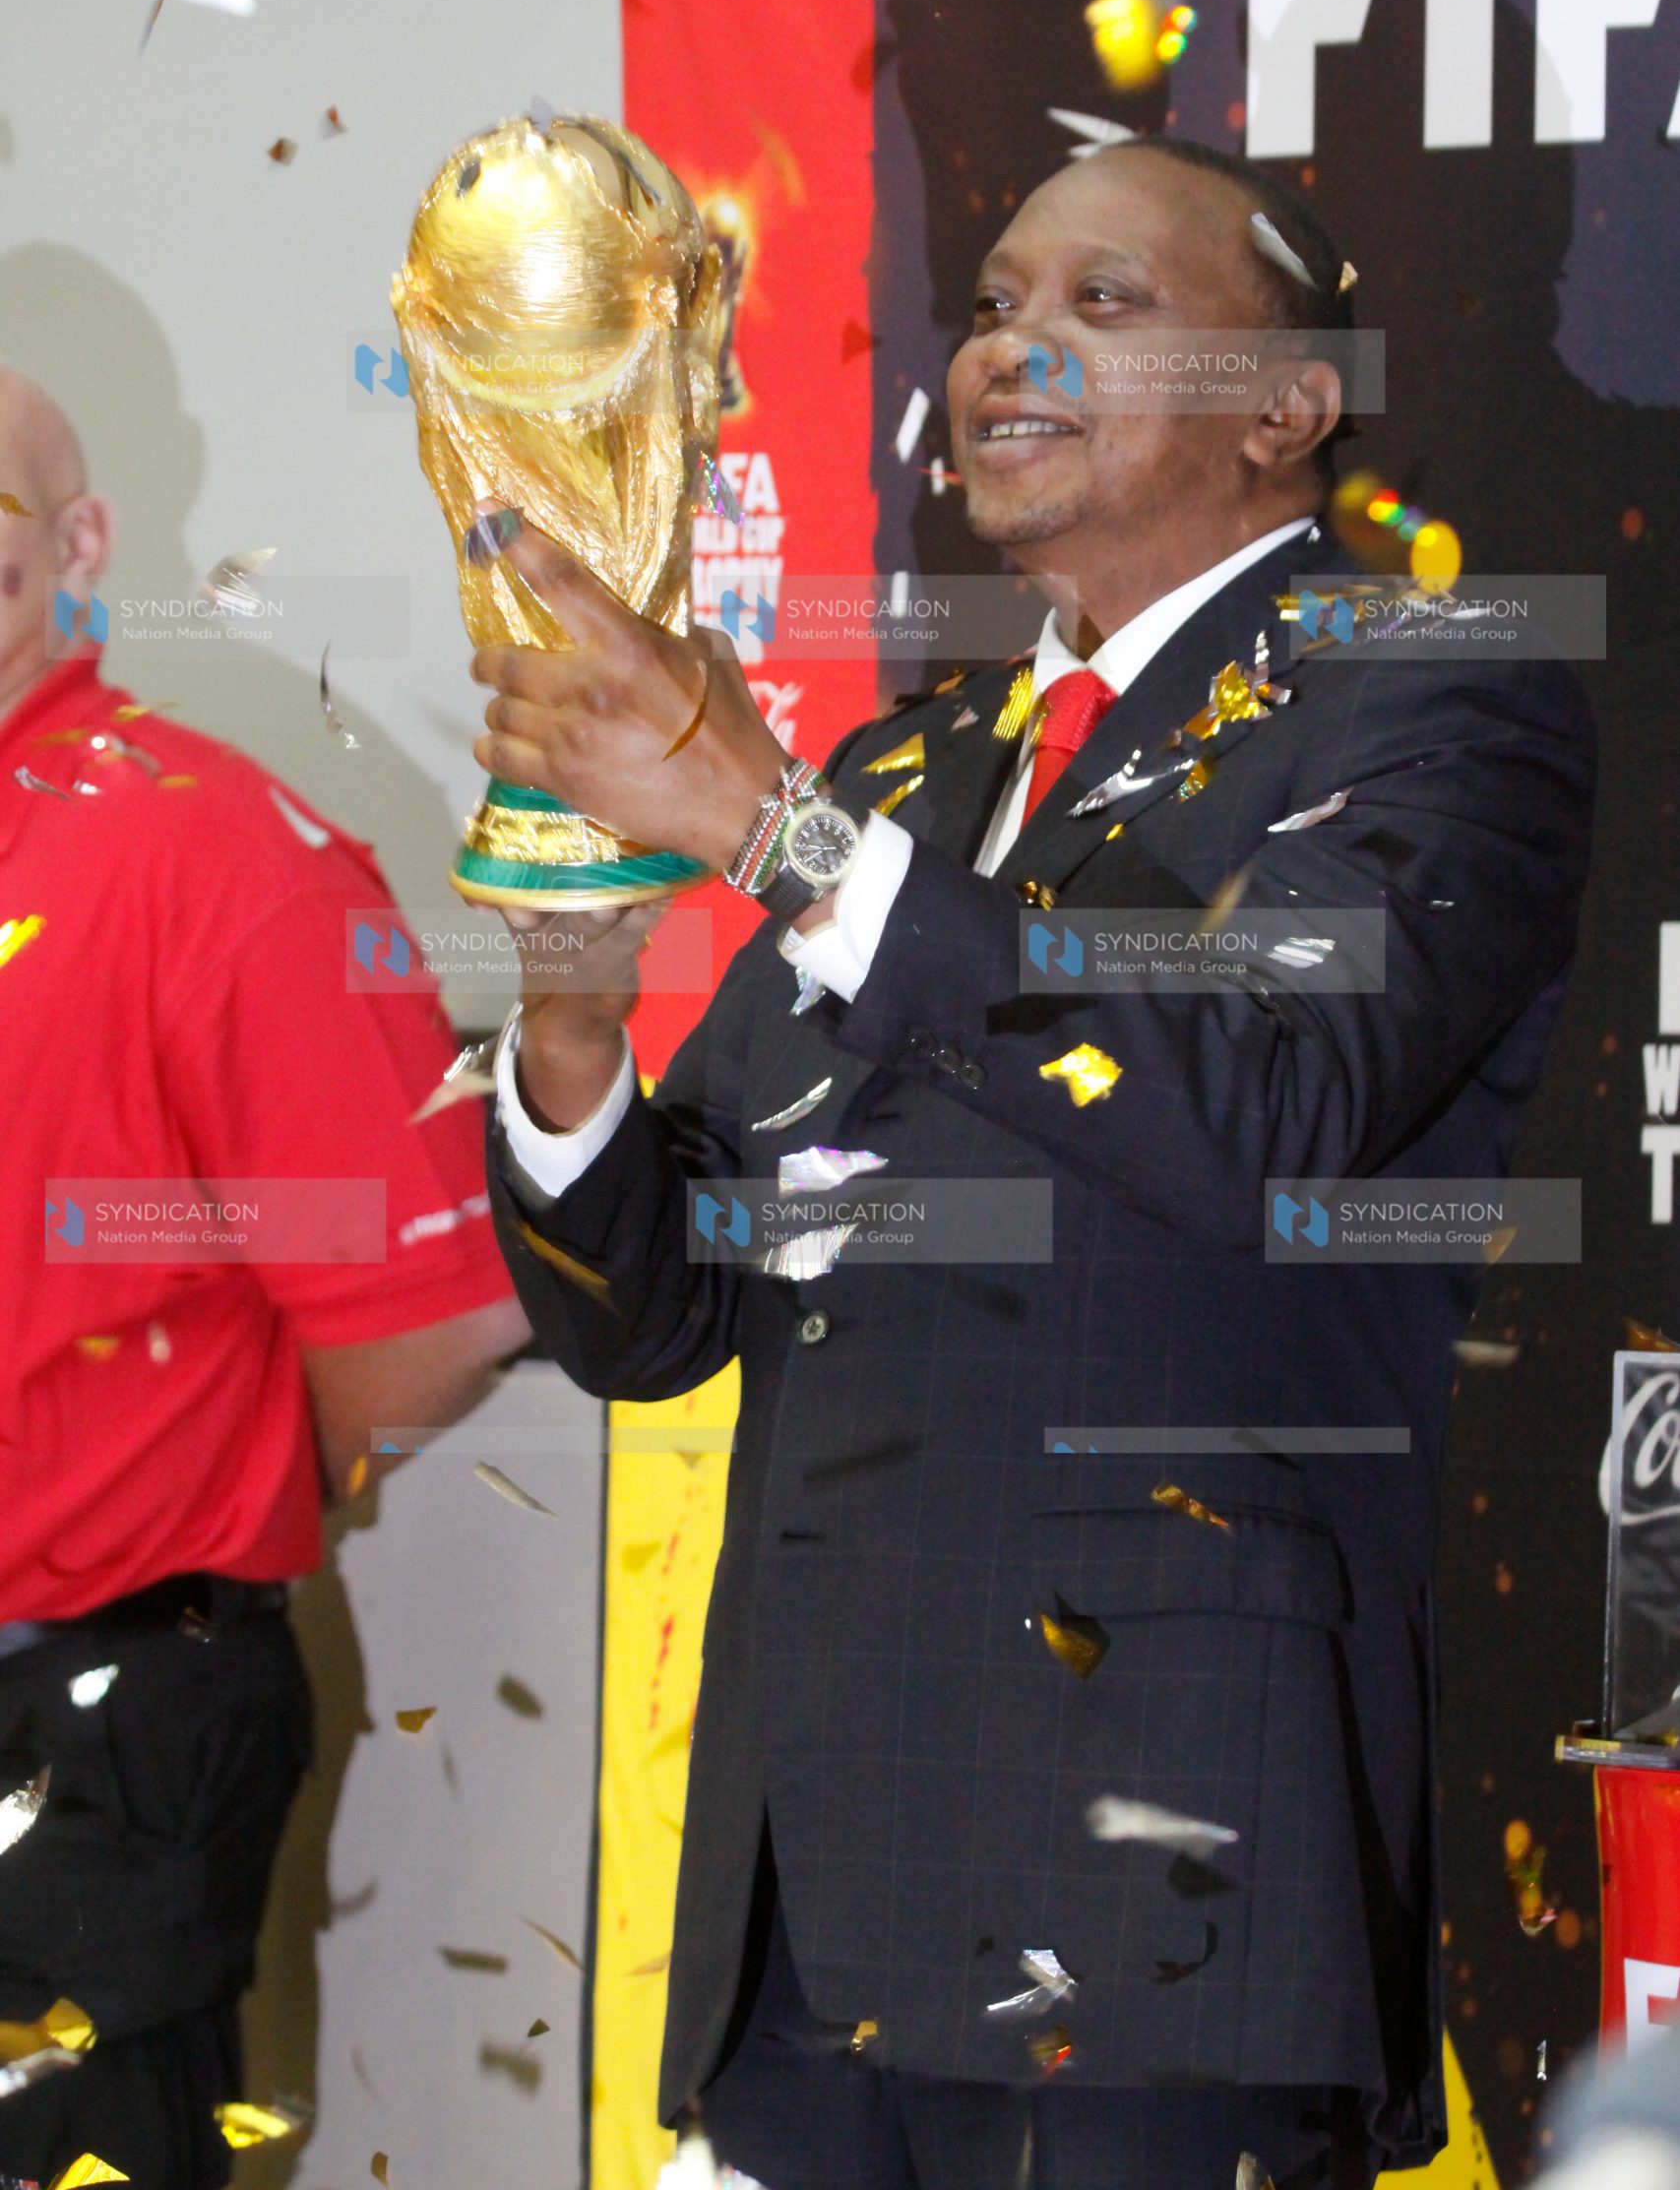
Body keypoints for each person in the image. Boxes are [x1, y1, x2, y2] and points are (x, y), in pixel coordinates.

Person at [475, 140, 1595, 2189]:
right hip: (811, 1893)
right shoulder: (913, 767)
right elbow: (663, 1308)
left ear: (1286, 406)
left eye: (1103, 304)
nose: (1010, 347)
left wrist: (777, 836)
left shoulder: (1427, 685)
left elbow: (1269, 1104)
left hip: (1161, 1885)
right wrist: (566, 1025)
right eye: (995, 301)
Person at [0, 369, 529, 2190]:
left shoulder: (213, 855)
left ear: (79, 550)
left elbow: (433, 1321)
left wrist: (160, 1466)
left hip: (71, 1733)